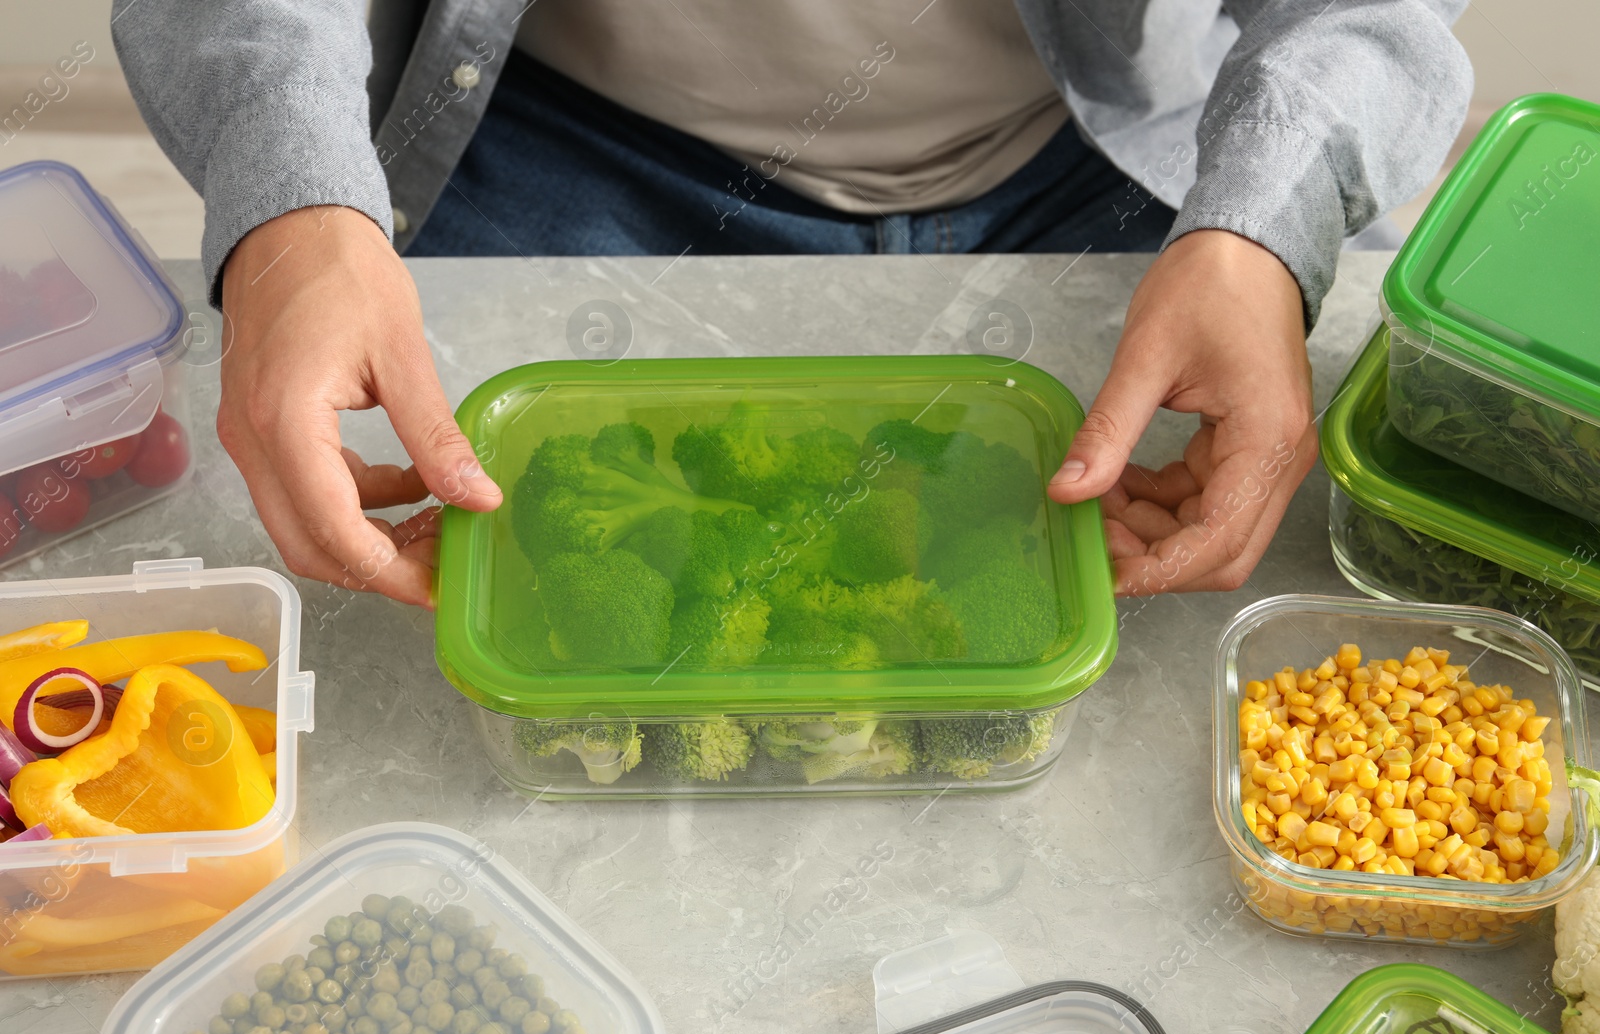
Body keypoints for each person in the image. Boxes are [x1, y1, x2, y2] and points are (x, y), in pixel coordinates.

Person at [111, 0, 1471, 607]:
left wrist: (1259, 230)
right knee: (438, 602)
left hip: (1106, 156)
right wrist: (292, 222)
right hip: (565, 145)